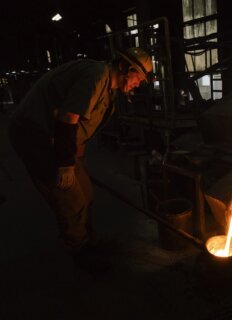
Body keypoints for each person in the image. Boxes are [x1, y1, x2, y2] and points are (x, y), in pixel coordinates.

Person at [8, 48, 153, 274]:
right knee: (69, 198)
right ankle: (80, 251)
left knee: (86, 191)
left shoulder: (109, 93)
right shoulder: (96, 75)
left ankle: (89, 240)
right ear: (126, 68)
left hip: (59, 138)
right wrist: (65, 165)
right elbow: (67, 118)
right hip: (35, 134)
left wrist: (78, 161)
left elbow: (83, 128)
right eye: (139, 78)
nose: (138, 84)